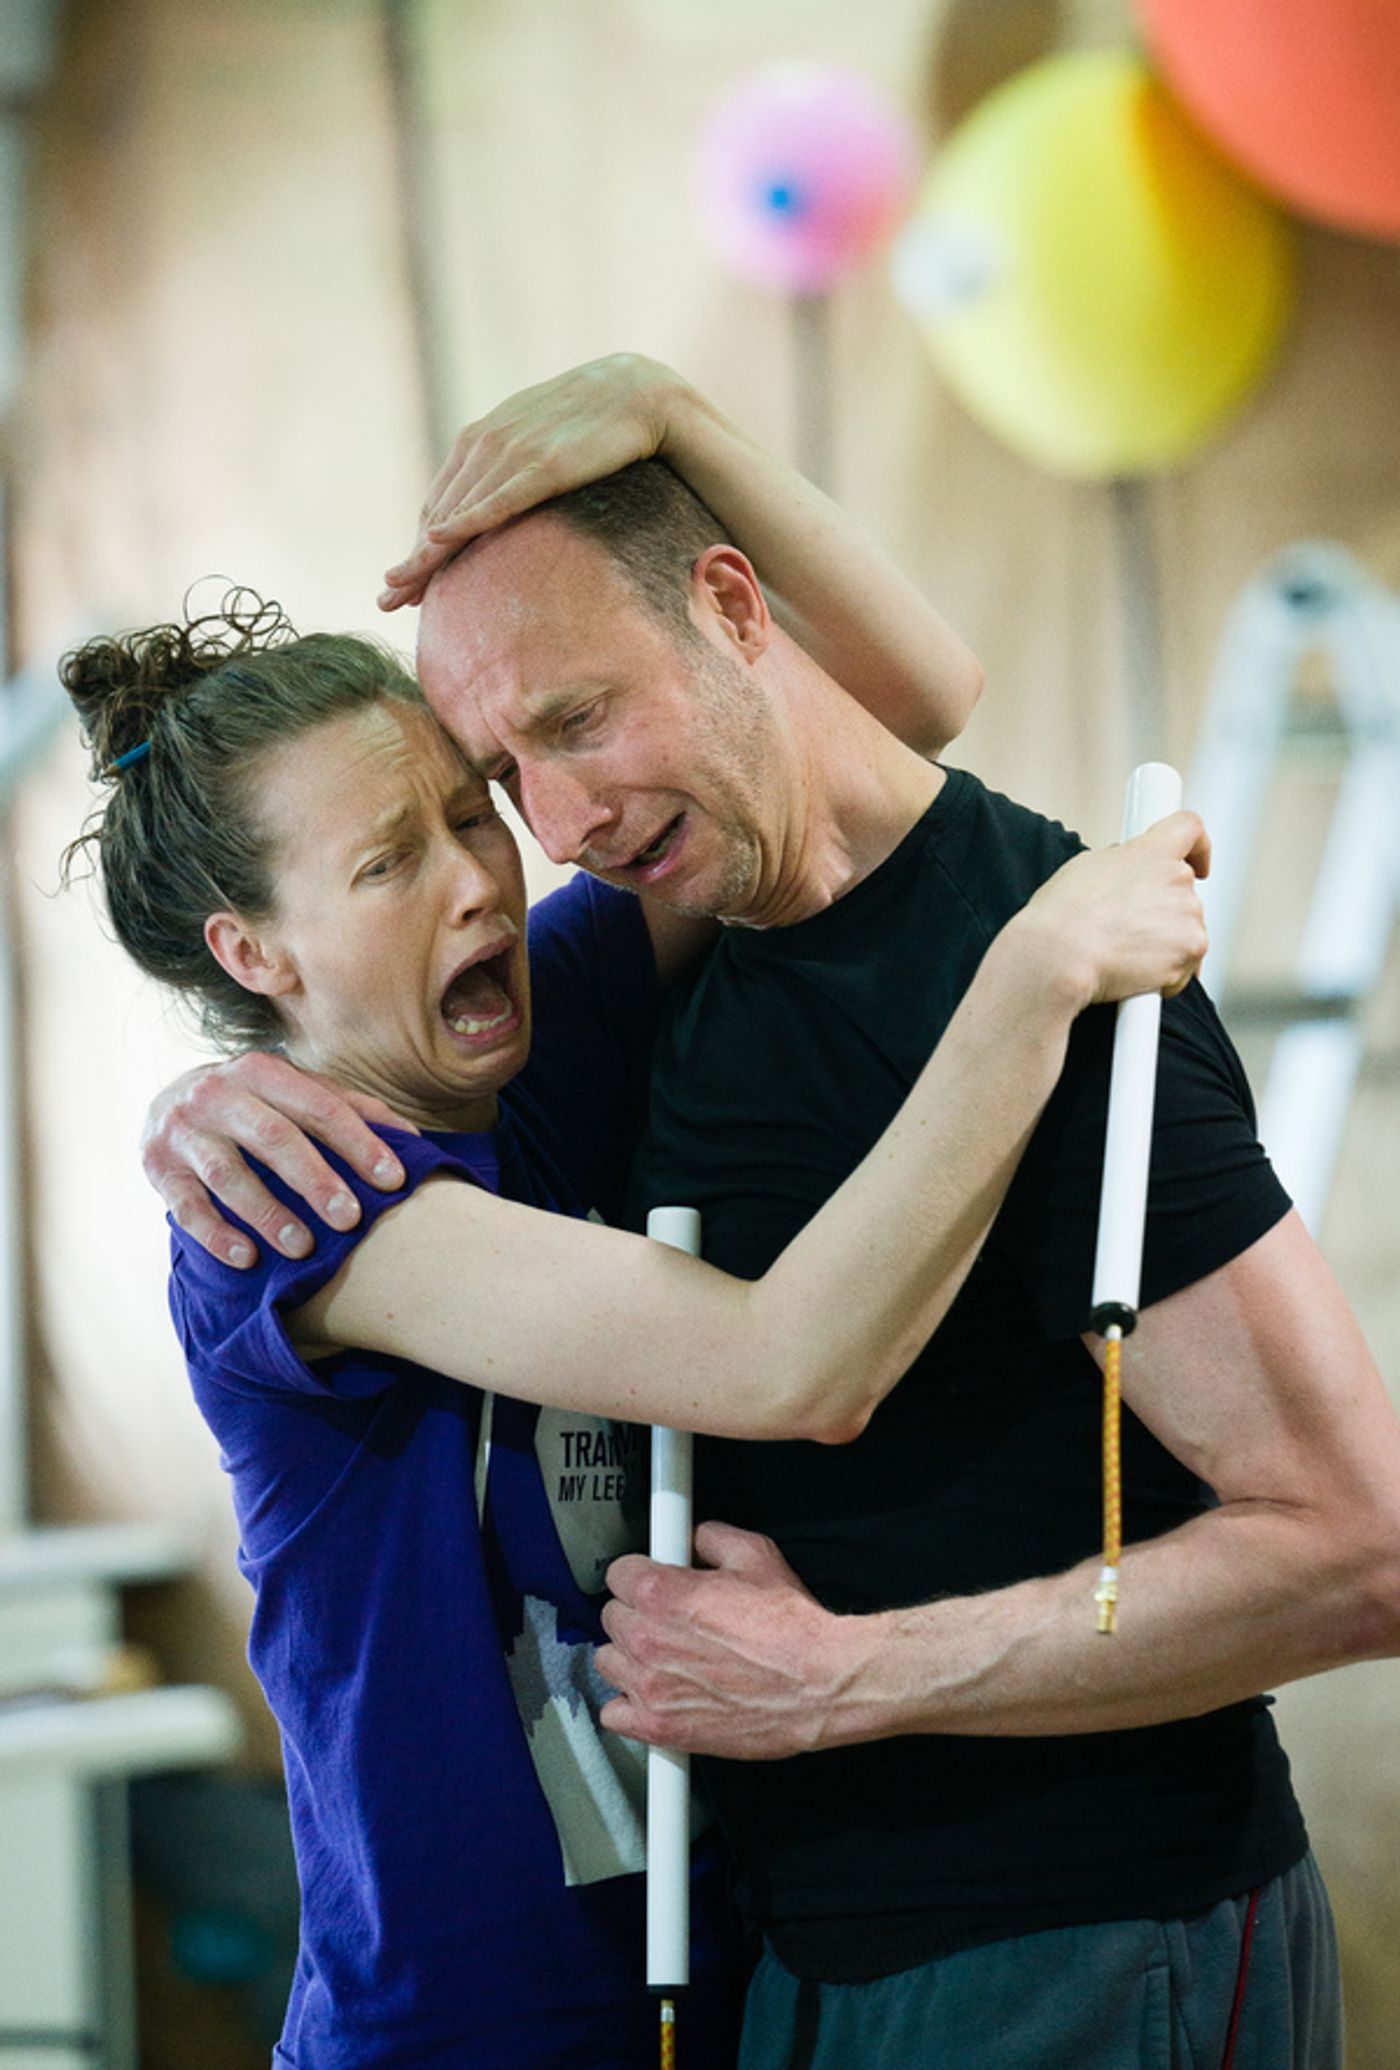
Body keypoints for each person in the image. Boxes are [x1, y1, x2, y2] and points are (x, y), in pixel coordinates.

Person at [142, 354, 1397, 2068]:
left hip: (725, 1976)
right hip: (469, 2026)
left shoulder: (555, 1038)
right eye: (394, 858)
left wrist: (679, 419)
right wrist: (1030, 979)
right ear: (253, 957)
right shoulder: (309, 1198)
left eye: (475, 807)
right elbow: (790, 1361)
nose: (514, 855)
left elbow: (911, 705)